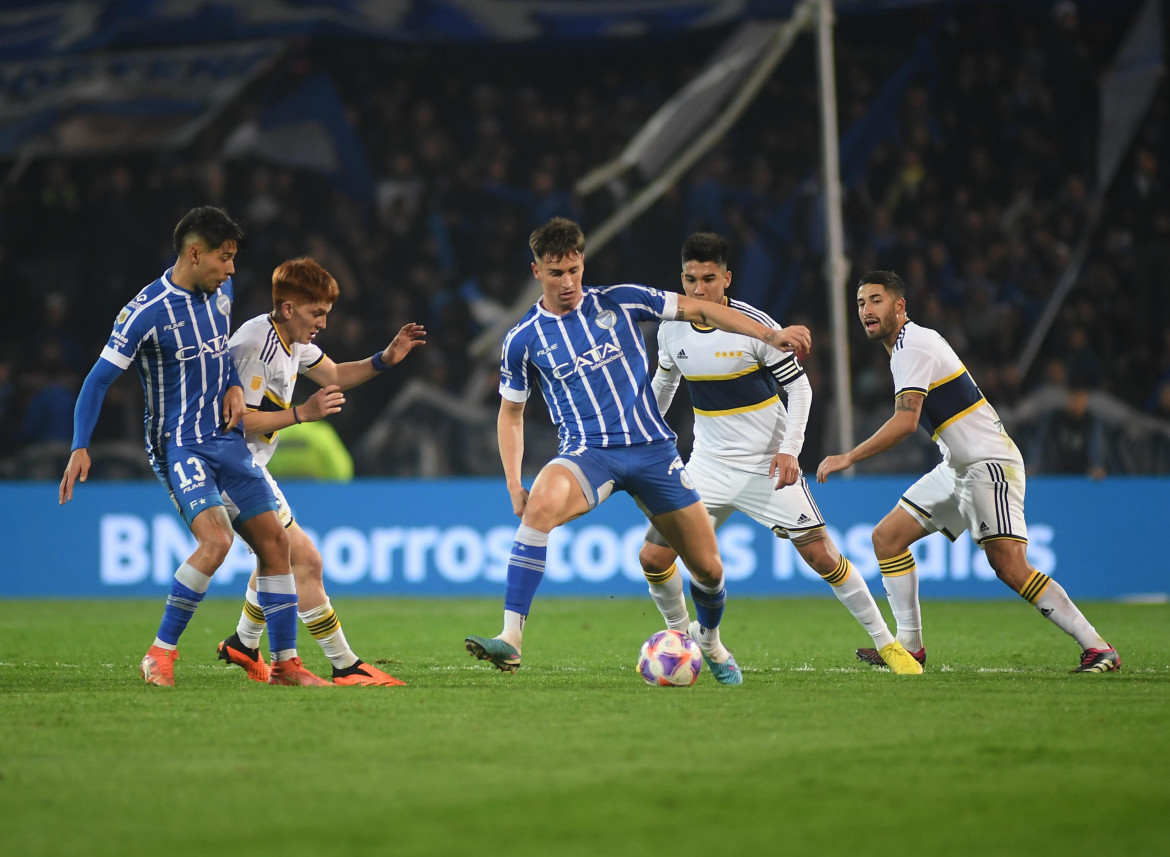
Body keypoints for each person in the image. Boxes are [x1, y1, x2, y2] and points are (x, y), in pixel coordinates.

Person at [464, 216, 812, 684]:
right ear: (536, 272)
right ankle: (510, 639)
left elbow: (703, 311)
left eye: (572, 270)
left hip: (653, 451)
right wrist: (512, 482)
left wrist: (769, 336)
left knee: (708, 569)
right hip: (588, 454)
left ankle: (707, 640)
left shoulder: (622, 300)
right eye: (555, 273)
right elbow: (510, 414)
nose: (566, 282)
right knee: (540, 504)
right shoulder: (523, 338)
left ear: (582, 263)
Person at [59, 206, 329, 686]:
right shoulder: (145, 312)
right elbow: (98, 381)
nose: (231, 270)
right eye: (225, 259)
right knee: (217, 541)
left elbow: (218, 350)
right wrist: (81, 445)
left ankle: (286, 663)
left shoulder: (220, 293)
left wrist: (230, 384)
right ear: (195, 253)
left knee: (277, 543)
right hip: (178, 444)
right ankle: (160, 653)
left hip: (225, 439)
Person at [639, 234, 922, 674]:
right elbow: (665, 382)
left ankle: (887, 644)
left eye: (709, 279)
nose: (699, 290)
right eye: (691, 279)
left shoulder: (754, 326)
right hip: (707, 466)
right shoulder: (671, 327)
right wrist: (646, 430)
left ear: (726, 278)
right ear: (681, 278)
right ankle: (689, 639)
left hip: (765, 465)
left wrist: (790, 451)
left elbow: (800, 388)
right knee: (653, 558)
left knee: (821, 555)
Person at [816, 270, 1120, 673]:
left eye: (876, 300)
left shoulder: (913, 345)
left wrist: (848, 457)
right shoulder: (903, 348)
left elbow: (906, 422)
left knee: (1010, 566)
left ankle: (1097, 647)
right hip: (958, 464)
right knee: (887, 538)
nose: (866, 310)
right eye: (860, 303)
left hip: (987, 462)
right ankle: (910, 648)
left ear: (899, 305)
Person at [216, 256, 426, 686]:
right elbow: (232, 421)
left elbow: (334, 373)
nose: (324, 324)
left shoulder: (291, 339)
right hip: (230, 470)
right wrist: (301, 414)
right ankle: (344, 665)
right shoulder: (255, 346)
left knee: (274, 559)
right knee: (305, 560)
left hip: (250, 469)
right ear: (289, 308)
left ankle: (243, 641)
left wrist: (384, 359)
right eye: (317, 313)